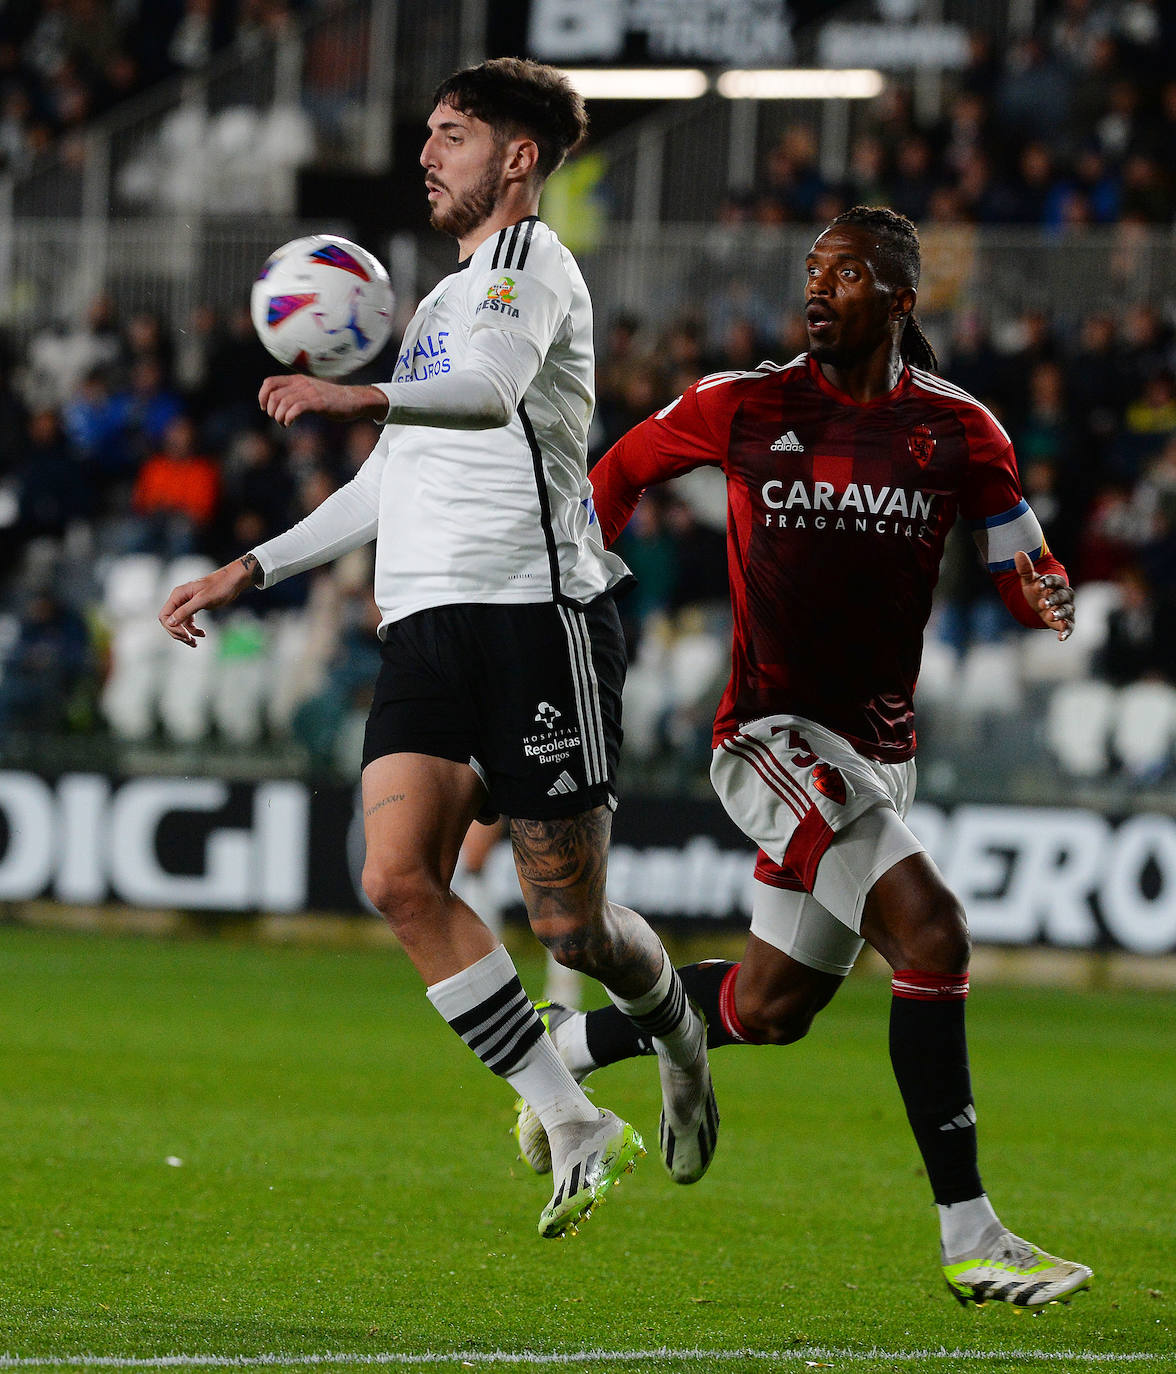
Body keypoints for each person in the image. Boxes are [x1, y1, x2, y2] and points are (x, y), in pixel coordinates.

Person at [157, 57, 716, 1240]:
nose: (427, 154)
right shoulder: (435, 304)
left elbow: (490, 395)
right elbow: (389, 482)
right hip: (424, 625)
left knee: (572, 926)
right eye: (430, 134)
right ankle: (570, 1118)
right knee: (397, 876)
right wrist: (249, 569)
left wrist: (353, 397)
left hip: (536, 617)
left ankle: (675, 1027)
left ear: (516, 158)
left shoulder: (530, 266)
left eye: (451, 134)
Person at [512, 206, 1092, 1308]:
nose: (817, 290)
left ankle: (574, 1053)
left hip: (878, 752)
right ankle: (973, 1236)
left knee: (771, 1007)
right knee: (933, 933)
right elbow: (619, 475)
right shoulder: (745, 404)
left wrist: (1043, 594)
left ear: (901, 300)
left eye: (847, 275)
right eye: (811, 273)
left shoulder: (961, 432)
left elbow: (1023, 561)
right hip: (771, 736)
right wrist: (567, 595)